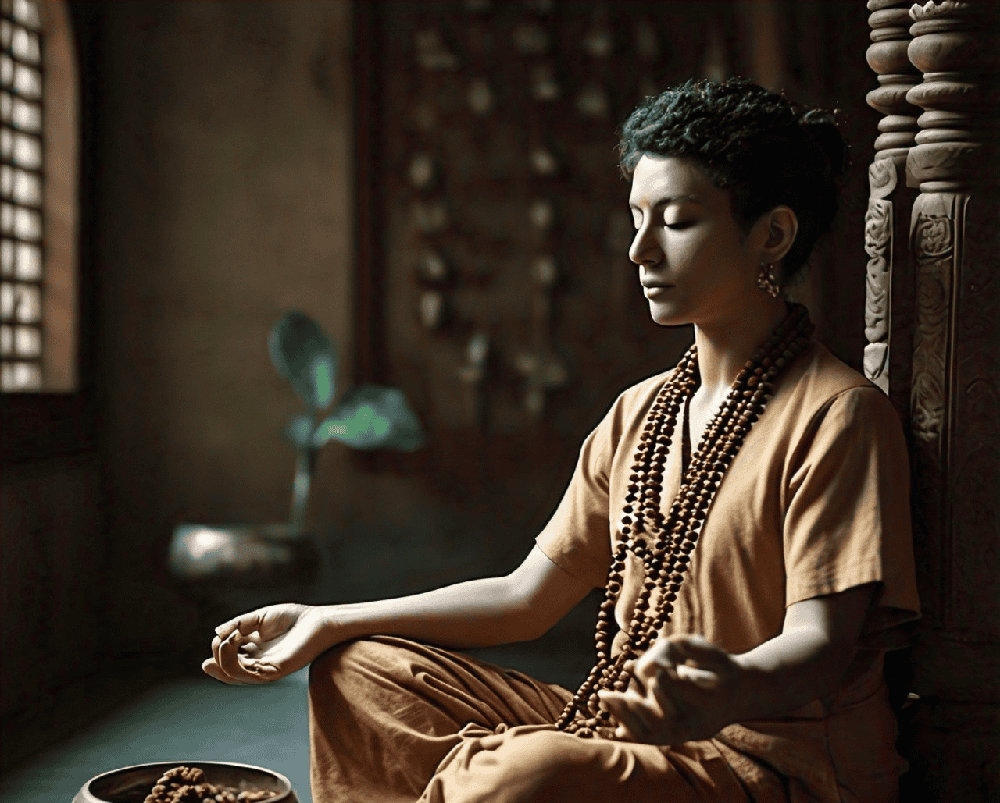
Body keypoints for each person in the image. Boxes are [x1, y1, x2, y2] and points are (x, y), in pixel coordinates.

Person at [203, 77, 920, 803]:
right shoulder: (640, 412)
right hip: (620, 730)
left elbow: (821, 646)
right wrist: (328, 619)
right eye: (635, 218)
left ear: (772, 233)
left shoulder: (838, 414)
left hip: (758, 764)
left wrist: (728, 687)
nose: (640, 250)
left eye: (675, 221)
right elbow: (525, 597)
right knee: (359, 670)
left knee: (529, 772)